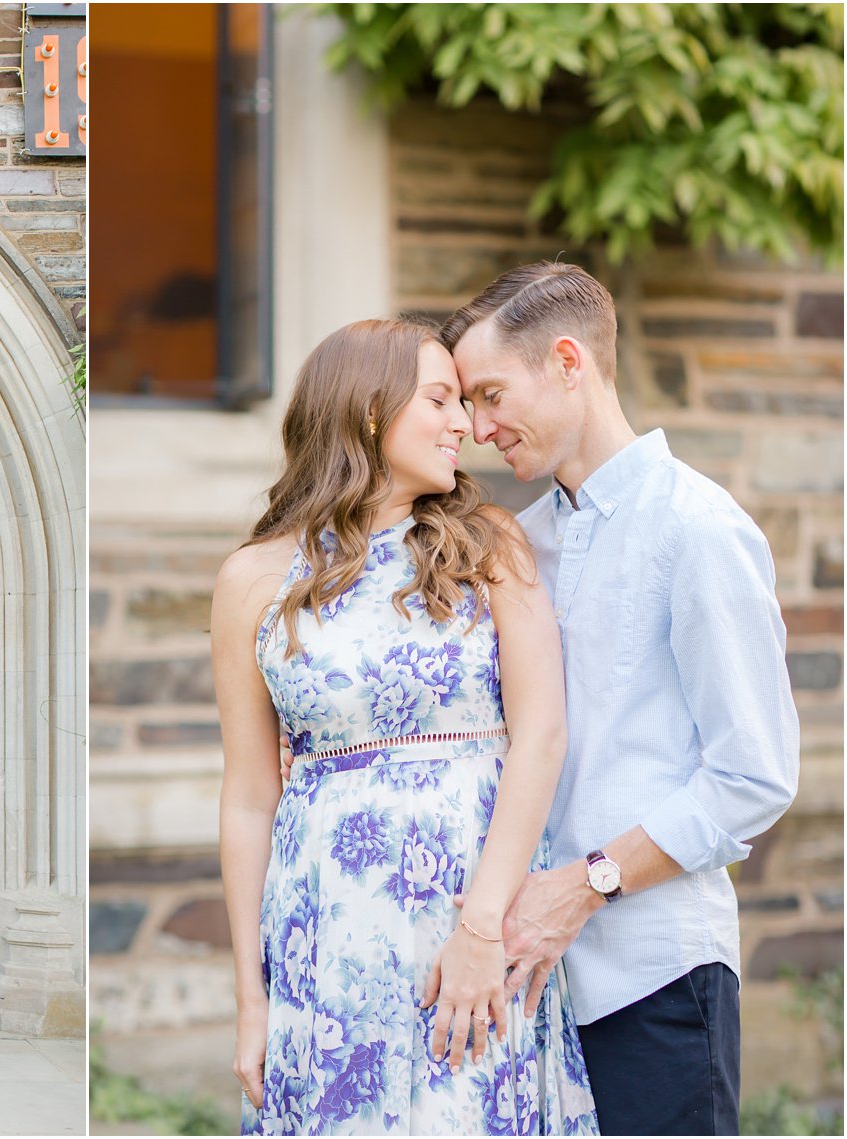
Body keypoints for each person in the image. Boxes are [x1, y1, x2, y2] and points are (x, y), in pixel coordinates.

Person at [435, 262, 799, 1135]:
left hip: (655, 979)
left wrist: (589, 882)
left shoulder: (699, 530)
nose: (479, 429)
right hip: (527, 992)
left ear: (568, 361)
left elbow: (754, 775)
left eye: (490, 394)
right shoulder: (519, 545)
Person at [214, 318, 598, 1135]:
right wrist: (254, 997)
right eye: (441, 400)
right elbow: (250, 798)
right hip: (328, 941)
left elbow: (541, 736)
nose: (466, 422)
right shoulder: (253, 578)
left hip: (470, 921)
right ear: (365, 412)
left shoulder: (489, 544)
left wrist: (481, 930)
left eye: (466, 400)